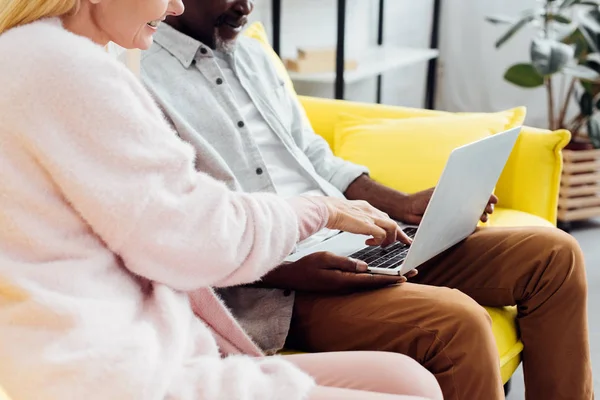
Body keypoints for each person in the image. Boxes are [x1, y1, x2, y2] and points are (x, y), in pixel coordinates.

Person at [139, 1, 594, 399]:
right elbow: (171, 229)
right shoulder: (139, 80)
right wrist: (283, 269)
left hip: (355, 238)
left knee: (555, 256)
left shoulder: (253, 55)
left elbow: (314, 156)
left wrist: (406, 205)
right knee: (457, 323)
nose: (247, 7)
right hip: (277, 284)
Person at [0, 1, 446, 400]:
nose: (174, 5)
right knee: (422, 369)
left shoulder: (43, 55)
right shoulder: (69, 70)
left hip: (125, 351)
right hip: (114, 372)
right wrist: (316, 209)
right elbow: (192, 233)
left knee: (411, 381)